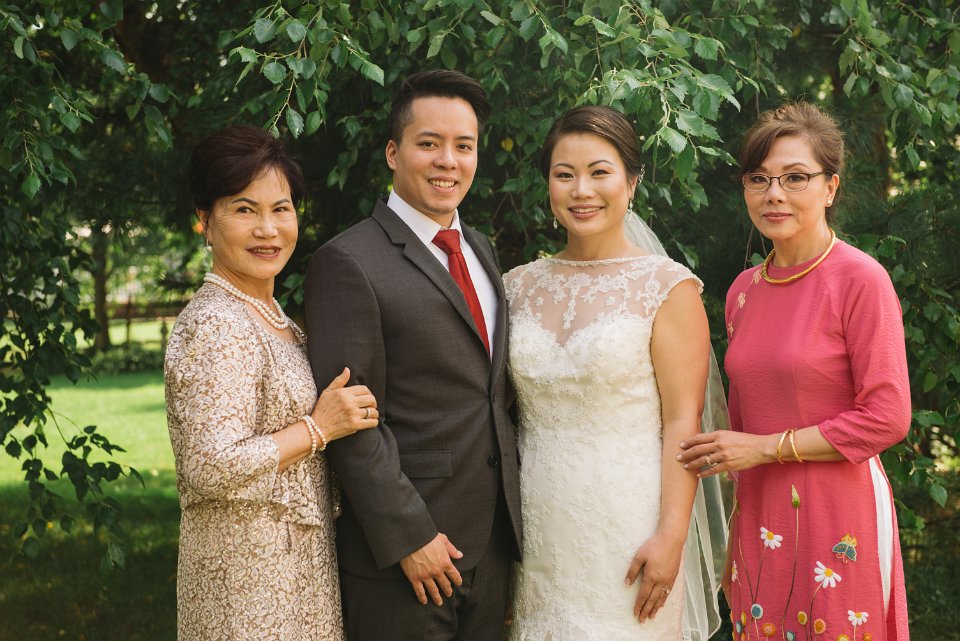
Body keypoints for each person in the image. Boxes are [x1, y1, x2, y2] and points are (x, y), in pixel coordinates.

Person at [678, 102, 912, 641]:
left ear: (831, 187)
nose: (774, 194)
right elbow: (740, 422)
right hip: (760, 513)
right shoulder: (743, 291)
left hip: (837, 512)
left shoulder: (860, 280)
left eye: (795, 177)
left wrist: (764, 449)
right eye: (758, 179)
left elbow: (888, 418)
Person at [303, 70, 522, 641]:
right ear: (393, 153)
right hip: (404, 561)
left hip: (491, 547)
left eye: (464, 146)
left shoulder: (480, 249)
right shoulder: (348, 261)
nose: (448, 161)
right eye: (429, 143)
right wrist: (409, 538)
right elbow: (351, 420)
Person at [504, 104, 727, 641]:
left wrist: (671, 536)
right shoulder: (515, 286)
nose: (581, 190)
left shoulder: (667, 288)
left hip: (629, 528)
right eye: (564, 174)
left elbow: (682, 421)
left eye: (599, 172)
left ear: (631, 182)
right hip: (536, 527)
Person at [165, 125, 379, 641]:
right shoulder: (216, 324)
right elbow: (210, 464)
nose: (268, 229)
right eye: (245, 209)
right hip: (245, 583)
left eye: (281, 209)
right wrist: (319, 428)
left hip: (295, 570)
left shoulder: (270, 315)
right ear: (204, 222)